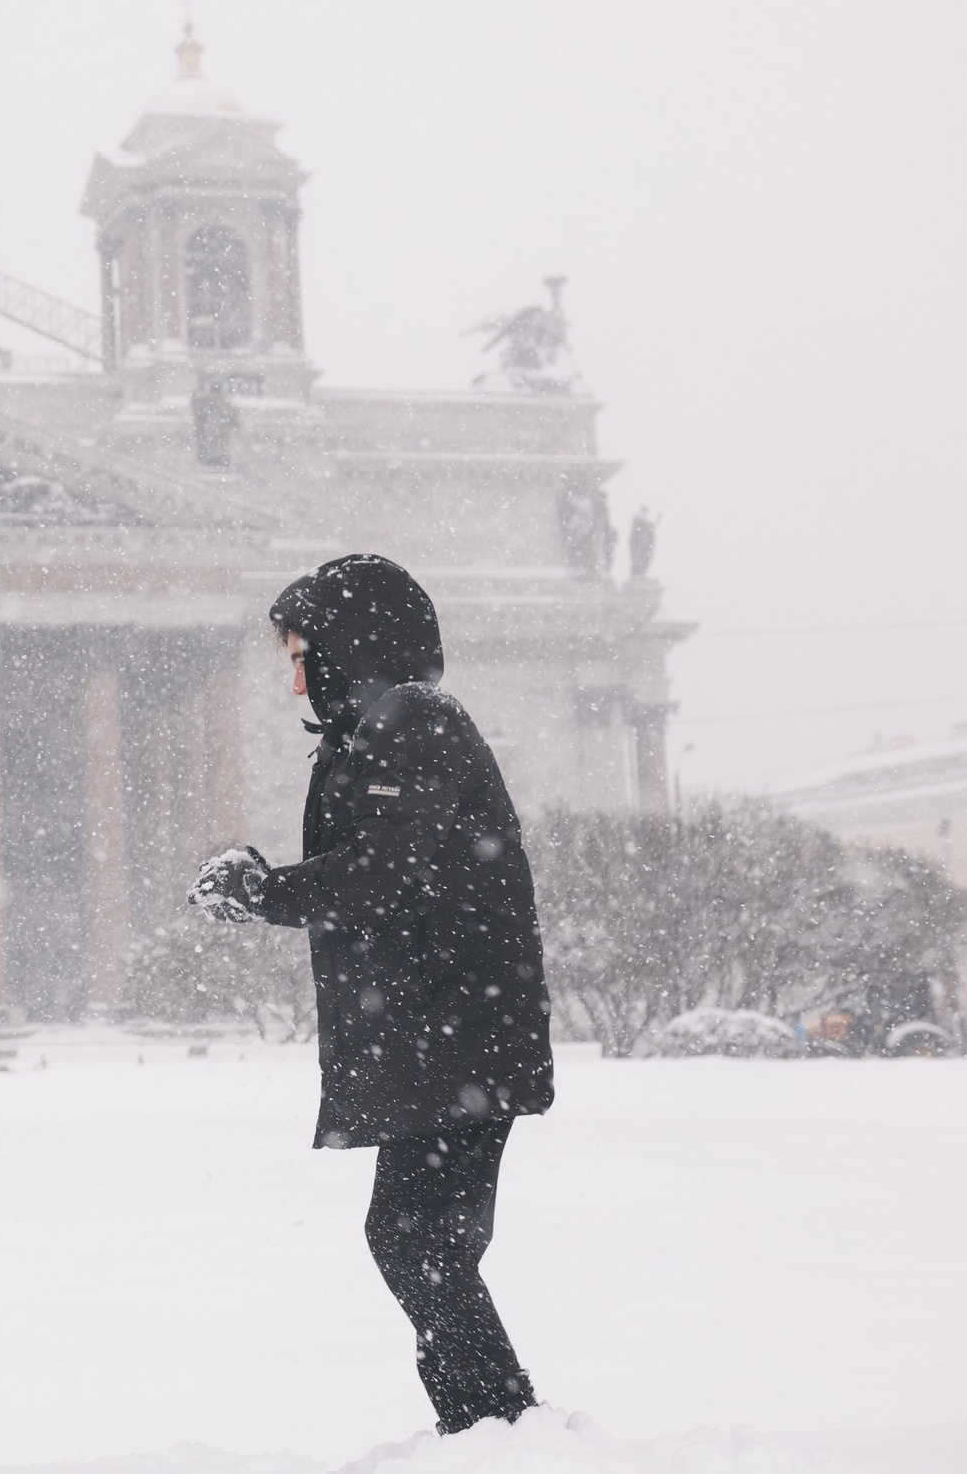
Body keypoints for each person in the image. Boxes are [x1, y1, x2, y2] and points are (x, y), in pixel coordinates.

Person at [188, 554, 553, 1437]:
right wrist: (268, 885)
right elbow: (381, 869)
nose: (295, 680)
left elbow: (391, 872)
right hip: (448, 1039)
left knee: (418, 1241)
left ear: (351, 645)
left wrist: (265, 891)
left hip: (458, 1036)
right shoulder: (376, 730)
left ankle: (501, 1428)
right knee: (418, 1241)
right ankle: (492, 1428)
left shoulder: (412, 721)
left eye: (301, 656)